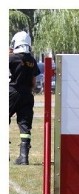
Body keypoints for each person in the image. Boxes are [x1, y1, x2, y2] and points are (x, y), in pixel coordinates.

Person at [9, 31, 40, 166]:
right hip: (27, 94)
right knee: (24, 124)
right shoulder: (32, 60)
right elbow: (34, 82)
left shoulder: (10, 58)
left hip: (11, 92)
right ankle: (23, 157)